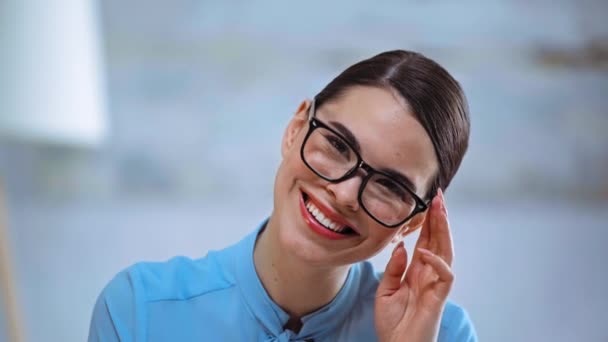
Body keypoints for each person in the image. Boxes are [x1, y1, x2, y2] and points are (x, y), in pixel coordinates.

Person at [88, 50, 477, 341]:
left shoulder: (444, 334)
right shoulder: (140, 310)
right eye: (338, 145)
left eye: (390, 186)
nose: (345, 194)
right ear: (295, 129)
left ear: (410, 222)